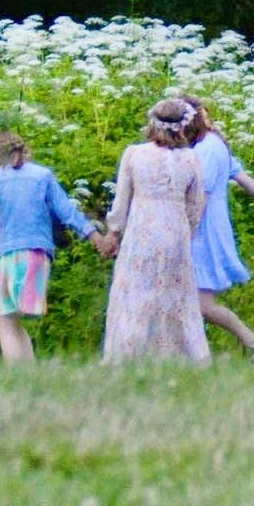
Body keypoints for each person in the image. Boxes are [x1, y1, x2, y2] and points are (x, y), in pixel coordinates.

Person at [0, 131, 98, 363]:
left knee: (6, 320)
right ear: (23, 151)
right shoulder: (43, 175)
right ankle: (29, 374)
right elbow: (67, 211)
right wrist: (95, 236)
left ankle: (16, 377)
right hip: (37, 255)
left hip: (2, 256)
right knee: (15, 321)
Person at [98, 100, 210, 364]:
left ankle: (129, 353)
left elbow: (121, 200)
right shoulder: (191, 159)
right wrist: (189, 231)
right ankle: (180, 355)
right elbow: (196, 205)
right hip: (176, 230)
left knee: (136, 291)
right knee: (175, 295)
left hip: (142, 229)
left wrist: (114, 232)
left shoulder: (134, 154)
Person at [184, 97, 254, 360]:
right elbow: (241, 177)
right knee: (189, 300)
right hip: (211, 226)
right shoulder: (214, 143)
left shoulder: (206, 149)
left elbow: (201, 196)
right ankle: (191, 353)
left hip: (203, 230)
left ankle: (253, 341)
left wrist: (188, 232)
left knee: (201, 304)